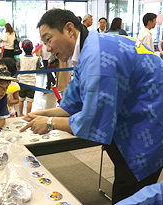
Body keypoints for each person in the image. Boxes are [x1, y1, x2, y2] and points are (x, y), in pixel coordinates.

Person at [20, 8, 163, 204]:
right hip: (133, 116)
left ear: (69, 29)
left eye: (48, 39)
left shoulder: (97, 57)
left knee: (131, 192)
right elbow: (72, 104)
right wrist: (40, 113)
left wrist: (50, 123)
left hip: (148, 124)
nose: (48, 48)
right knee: (124, 181)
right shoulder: (88, 48)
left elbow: (93, 119)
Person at [16, 39, 41, 116]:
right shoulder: (36, 59)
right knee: (29, 100)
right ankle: (28, 114)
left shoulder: (20, 58)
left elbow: (18, 69)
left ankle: (20, 113)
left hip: (22, 82)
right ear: (32, 48)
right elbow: (38, 69)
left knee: (21, 99)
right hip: (31, 83)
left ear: (23, 49)